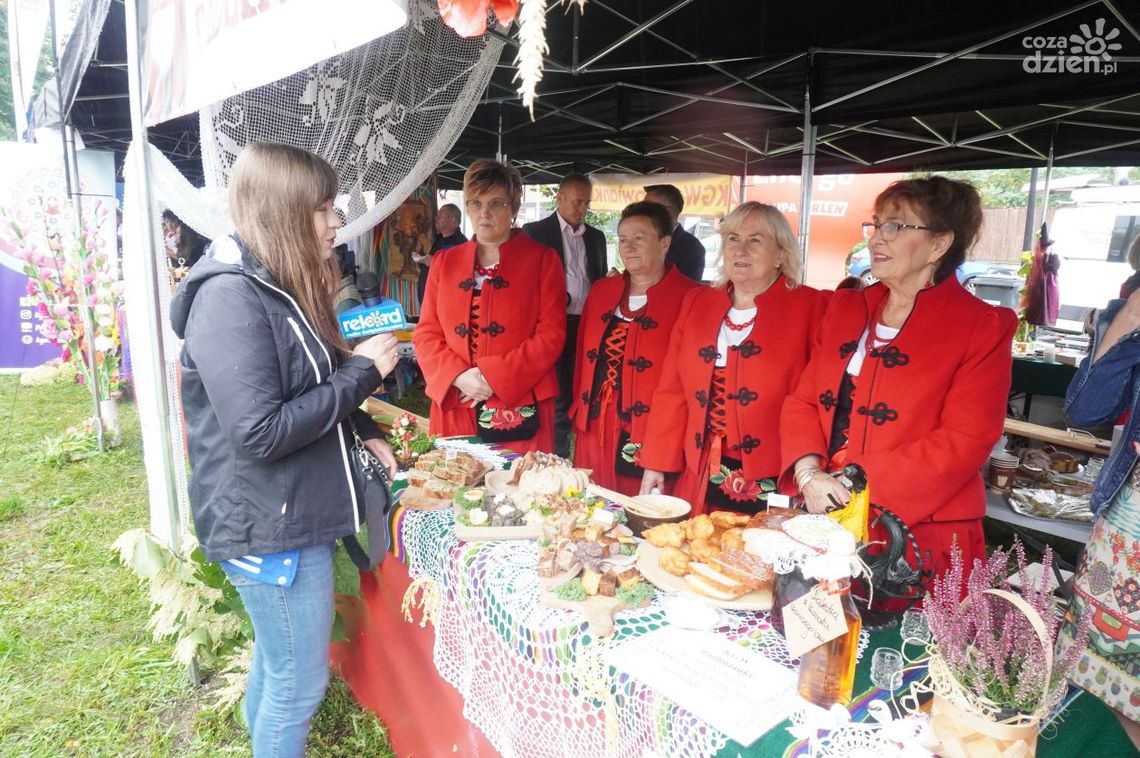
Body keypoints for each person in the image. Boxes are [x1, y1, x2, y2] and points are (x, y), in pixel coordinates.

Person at [169, 143, 400, 757]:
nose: (335, 222)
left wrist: (364, 426)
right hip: (268, 526)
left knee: (279, 667)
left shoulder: (273, 284)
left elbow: (308, 382)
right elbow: (261, 432)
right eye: (322, 209)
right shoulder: (230, 298)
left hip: (284, 512)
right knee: (297, 687)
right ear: (282, 212)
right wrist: (363, 375)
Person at [781, 177, 1017, 584]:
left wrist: (852, 482)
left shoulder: (982, 326)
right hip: (823, 512)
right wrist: (808, 475)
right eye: (876, 225)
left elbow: (965, 440)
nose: (876, 238)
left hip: (917, 532)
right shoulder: (846, 309)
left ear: (939, 244)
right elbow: (803, 401)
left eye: (895, 226)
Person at [638, 202, 826, 514]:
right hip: (698, 469)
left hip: (773, 474)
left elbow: (815, 399)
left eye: (755, 240)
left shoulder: (813, 307)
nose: (740, 250)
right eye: (733, 239)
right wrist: (656, 462)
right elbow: (672, 389)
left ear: (781, 254)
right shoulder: (697, 302)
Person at [415, 159, 566, 453]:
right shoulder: (444, 262)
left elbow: (551, 335)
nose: (484, 213)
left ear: (514, 208)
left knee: (516, 481)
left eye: (496, 204)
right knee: (456, 478)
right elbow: (426, 333)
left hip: (518, 401)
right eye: (476, 203)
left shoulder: (543, 260)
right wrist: (458, 376)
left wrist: (494, 378)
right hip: (456, 399)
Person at [1055, 281, 1140, 751]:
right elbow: (1085, 411)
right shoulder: (1131, 315)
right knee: (1097, 676)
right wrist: (1129, 319)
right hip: (1127, 530)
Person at [570, 201, 700, 494]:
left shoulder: (692, 297)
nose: (628, 247)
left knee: (641, 509)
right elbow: (582, 358)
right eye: (623, 239)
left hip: (652, 428)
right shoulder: (601, 290)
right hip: (596, 421)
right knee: (593, 504)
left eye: (639, 238)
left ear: (665, 243)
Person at [522, 173, 607, 458]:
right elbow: (528, 283)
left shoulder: (596, 237)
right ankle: (556, 457)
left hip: (586, 326)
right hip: (552, 325)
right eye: (577, 202)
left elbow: (597, 279)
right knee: (557, 396)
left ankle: (577, 454)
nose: (582, 209)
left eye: (587, 203)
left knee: (584, 392)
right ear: (559, 198)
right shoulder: (535, 232)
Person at [644, 183, 705, 282]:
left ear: (667, 211)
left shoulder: (692, 247)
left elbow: (686, 287)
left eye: (647, 207)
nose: (640, 212)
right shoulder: (645, 239)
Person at [417, 203, 467, 307]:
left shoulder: (461, 244)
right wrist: (422, 260)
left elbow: (459, 272)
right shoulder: (439, 240)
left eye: (440, 216)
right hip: (430, 299)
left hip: (445, 301)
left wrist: (435, 262)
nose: (436, 218)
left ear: (452, 220)